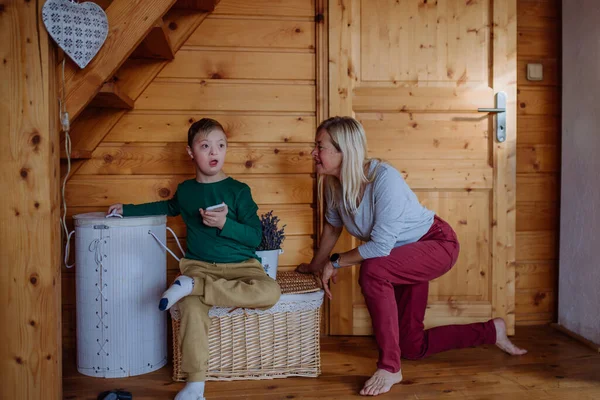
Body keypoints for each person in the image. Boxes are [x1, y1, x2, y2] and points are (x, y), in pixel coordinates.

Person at [297, 116, 527, 397]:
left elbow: (380, 247)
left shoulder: (383, 178)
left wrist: (336, 262)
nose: (313, 152)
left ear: (344, 150)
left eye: (319, 146)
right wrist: (316, 265)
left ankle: (390, 367)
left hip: (435, 243)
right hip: (400, 256)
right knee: (412, 346)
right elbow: (333, 228)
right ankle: (493, 331)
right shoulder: (332, 186)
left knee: (373, 270)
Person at [108, 118, 281, 400]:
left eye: (221, 146)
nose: (214, 153)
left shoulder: (239, 191)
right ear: (190, 152)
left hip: (242, 268)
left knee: (271, 291)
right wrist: (126, 210)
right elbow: (166, 206)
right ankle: (195, 386)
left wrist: (225, 223)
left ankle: (193, 286)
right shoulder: (187, 190)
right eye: (205, 146)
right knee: (189, 307)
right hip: (199, 267)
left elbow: (254, 238)